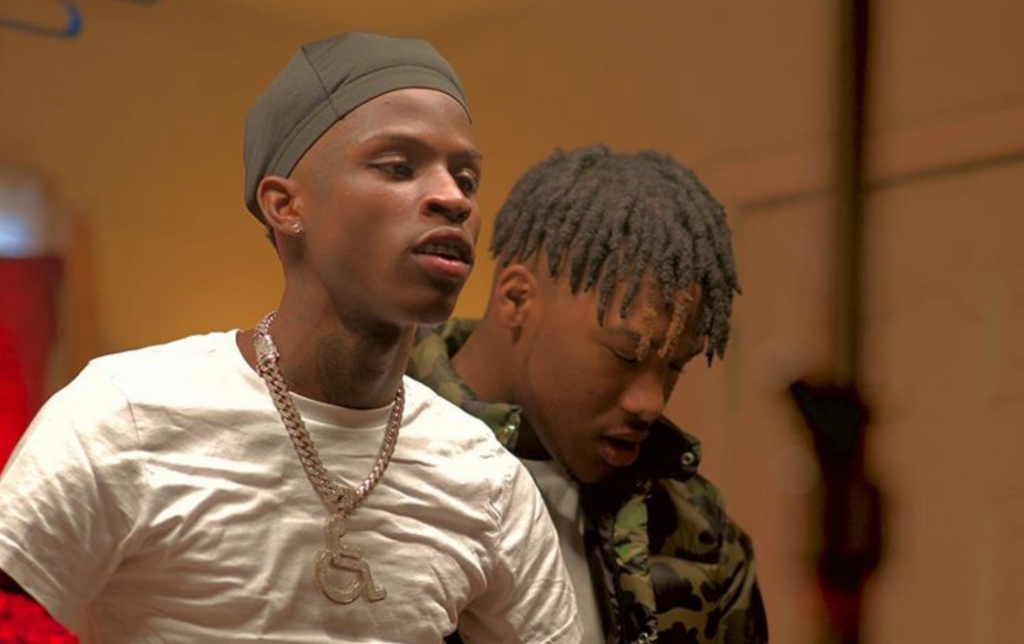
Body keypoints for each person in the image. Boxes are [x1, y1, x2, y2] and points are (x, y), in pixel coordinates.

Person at [0, 32, 582, 643]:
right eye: (399, 167)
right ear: (286, 205)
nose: (452, 198)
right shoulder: (128, 416)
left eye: (467, 178)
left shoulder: (484, 477)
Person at [409, 145, 769, 643]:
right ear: (517, 299)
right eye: (624, 356)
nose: (651, 403)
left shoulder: (700, 536)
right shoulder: (367, 455)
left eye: (675, 366)